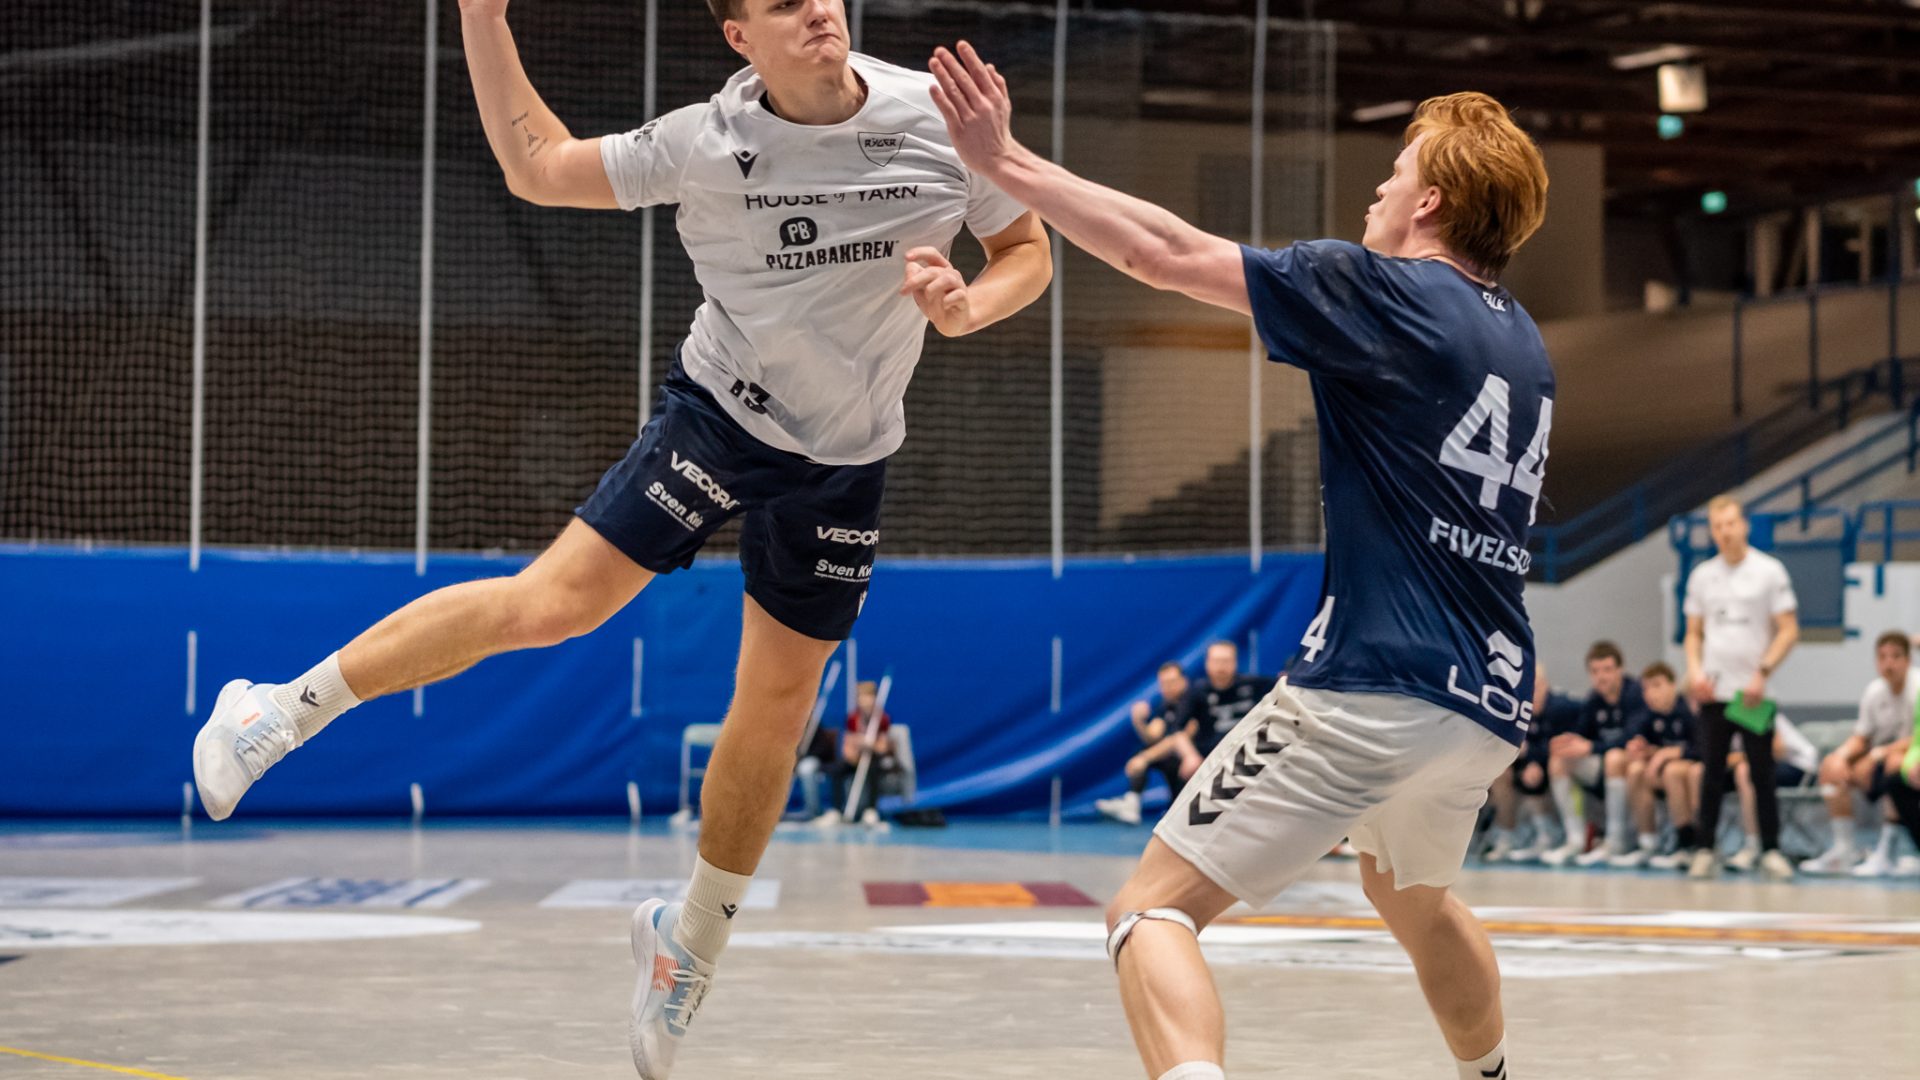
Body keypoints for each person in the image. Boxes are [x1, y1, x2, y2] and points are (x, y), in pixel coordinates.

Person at [190, 3, 1050, 1076]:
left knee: (779, 708)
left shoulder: (936, 115)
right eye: (782, 2)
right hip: (722, 418)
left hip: (848, 454)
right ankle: (278, 710)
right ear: (740, 37)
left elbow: (1024, 247)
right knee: (554, 605)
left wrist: (972, 307)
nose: (816, 9)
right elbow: (537, 166)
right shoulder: (705, 145)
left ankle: (689, 945)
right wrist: (483, 18)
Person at [931, 44, 1551, 1080]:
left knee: (1149, 913)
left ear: (1432, 202)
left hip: (1373, 683)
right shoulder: (1523, 341)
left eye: (1395, 171)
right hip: (1484, 702)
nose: (1379, 189)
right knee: (1411, 893)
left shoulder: (1382, 291)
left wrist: (1007, 165)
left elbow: (1163, 253)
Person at [1683, 495, 1800, 880]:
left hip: (1753, 693)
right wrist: (1695, 672)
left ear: (1744, 525)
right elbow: (1694, 633)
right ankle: (1704, 848)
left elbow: (1788, 630)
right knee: (1711, 772)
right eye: (1717, 526)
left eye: (1731, 523)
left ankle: (1771, 849)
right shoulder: (1702, 576)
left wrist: (1762, 672)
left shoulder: (1769, 571)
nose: (1725, 532)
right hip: (1714, 693)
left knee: (1761, 773)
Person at [1802, 631, 1918, 875]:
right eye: (1883, 657)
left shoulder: (1917, 687)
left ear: (1908, 660)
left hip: (1907, 759)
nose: (1889, 664)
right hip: (1877, 760)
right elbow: (1861, 736)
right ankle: (1844, 849)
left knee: (1894, 764)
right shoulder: (1874, 691)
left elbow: (1915, 739)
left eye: (1896, 656)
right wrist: (1841, 755)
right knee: (1832, 767)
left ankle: (1888, 851)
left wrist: (1879, 754)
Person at [1542, 641, 1646, 867]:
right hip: (1603, 768)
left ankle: (1615, 841)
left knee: (1614, 757)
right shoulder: (1594, 699)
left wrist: (1590, 747)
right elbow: (1582, 734)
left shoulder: (1635, 694)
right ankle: (1576, 840)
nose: (1601, 677)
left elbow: (1631, 737)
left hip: (1634, 767)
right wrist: (1568, 742)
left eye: (1607, 670)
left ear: (1620, 669)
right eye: (1595, 671)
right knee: (1559, 761)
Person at [1483, 663, 1573, 863]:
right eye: (1527, 688)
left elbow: (1557, 743)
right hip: (1529, 767)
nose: (1532, 693)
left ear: (1545, 684)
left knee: (1549, 768)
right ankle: (1508, 833)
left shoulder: (1562, 708)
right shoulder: (1516, 710)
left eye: (1536, 686)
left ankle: (1561, 834)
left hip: (1557, 765)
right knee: (1500, 772)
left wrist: (1535, 759)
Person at [1611, 662, 1697, 868]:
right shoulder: (1650, 715)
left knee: (1672, 771)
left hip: (1692, 773)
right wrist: (1640, 748)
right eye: (1646, 688)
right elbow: (1629, 738)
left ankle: (1688, 845)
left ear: (1673, 685)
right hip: (1661, 774)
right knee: (1635, 770)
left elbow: (1705, 749)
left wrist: (1669, 753)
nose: (1651, 693)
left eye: (1657, 685)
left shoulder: (1688, 710)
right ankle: (1648, 843)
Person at [1099, 662, 1202, 826]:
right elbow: (1153, 736)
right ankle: (1132, 802)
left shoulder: (1194, 702)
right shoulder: (1165, 706)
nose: (1168, 687)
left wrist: (1144, 758)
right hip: (1171, 759)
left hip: (1195, 760)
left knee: (1151, 757)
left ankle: (1180, 811)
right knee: (1141, 750)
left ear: (1184, 681)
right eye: (1164, 683)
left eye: (1172, 682)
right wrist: (1138, 721)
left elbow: (1178, 739)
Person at [1722, 711, 1819, 872]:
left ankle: (1753, 845)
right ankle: (1697, 846)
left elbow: (1777, 750)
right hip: (1761, 766)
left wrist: (1737, 758)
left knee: (1745, 771)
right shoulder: (1718, 717)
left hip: (1797, 767)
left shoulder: (1758, 709)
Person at [1177, 641, 1275, 761]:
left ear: (1235, 662)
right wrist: (1189, 756)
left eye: (1226, 661)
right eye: (1216, 661)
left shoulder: (1253, 684)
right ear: (1207, 663)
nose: (1221, 666)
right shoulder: (1196, 691)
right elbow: (1177, 730)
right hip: (1212, 759)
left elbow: (1284, 685)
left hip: (1251, 752)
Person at [825, 680, 900, 824]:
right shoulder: (853, 719)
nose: (863, 700)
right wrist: (853, 752)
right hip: (857, 758)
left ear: (874, 698)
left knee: (873, 769)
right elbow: (848, 745)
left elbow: (882, 748)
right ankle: (836, 810)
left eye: (867, 696)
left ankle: (871, 810)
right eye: (860, 697)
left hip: (875, 758)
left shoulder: (882, 719)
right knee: (837, 769)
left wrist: (868, 743)